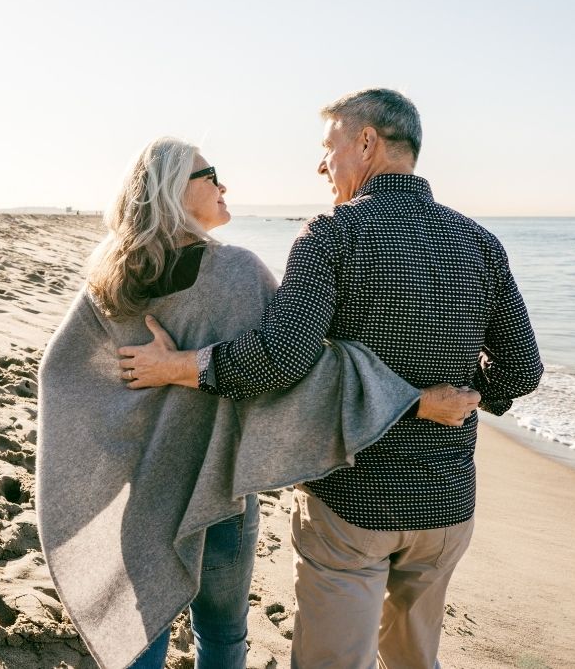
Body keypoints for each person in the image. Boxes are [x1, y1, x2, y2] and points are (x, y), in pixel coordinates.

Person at [118, 89, 544, 669]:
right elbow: (523, 370)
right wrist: (470, 397)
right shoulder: (480, 243)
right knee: (416, 660)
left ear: (366, 142)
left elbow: (280, 359)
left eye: (329, 146)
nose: (322, 164)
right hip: (447, 504)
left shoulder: (333, 234)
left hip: (353, 503)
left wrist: (180, 366)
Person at [36, 136, 479, 669]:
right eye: (210, 175)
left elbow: (61, 375)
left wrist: (131, 423)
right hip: (219, 485)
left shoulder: (109, 278)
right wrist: (415, 402)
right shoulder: (237, 273)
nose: (223, 185)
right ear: (174, 191)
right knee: (222, 635)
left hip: (144, 487)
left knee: (141, 630)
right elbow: (302, 369)